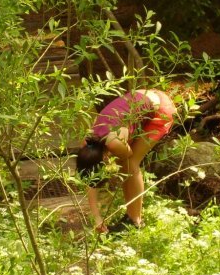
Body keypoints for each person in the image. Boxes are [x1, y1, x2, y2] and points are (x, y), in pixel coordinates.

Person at [76, 88, 177, 233]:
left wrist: (114, 156)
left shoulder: (114, 142)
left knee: (130, 163)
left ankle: (135, 222)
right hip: (141, 97)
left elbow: (127, 153)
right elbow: (91, 179)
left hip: (160, 109)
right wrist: (97, 218)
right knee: (124, 163)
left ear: (104, 157)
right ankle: (130, 217)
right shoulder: (87, 143)